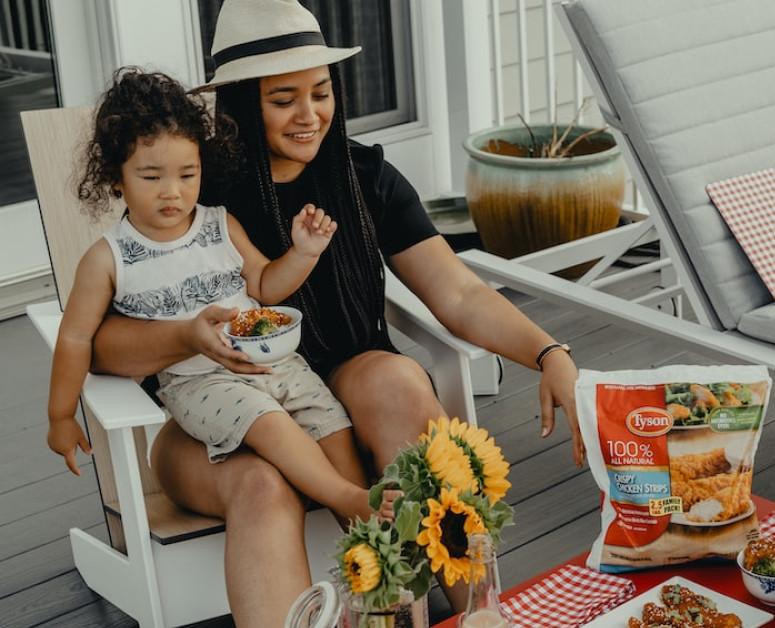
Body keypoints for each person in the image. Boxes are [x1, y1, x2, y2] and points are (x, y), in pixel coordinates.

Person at [85, 1, 581, 626]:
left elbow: (458, 294)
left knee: (399, 380)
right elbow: (100, 345)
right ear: (241, 102)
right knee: (262, 484)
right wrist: (187, 335)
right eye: (283, 98)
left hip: (335, 395)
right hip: (213, 417)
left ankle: (482, 616)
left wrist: (549, 352)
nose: (309, 114)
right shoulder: (195, 194)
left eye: (320, 92)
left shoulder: (363, 177)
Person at [44, 67, 392, 528]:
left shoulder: (220, 225)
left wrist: (303, 253)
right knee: (270, 423)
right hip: (200, 384)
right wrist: (60, 415)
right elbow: (74, 340)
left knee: (331, 422)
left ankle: (369, 543)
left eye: (188, 174)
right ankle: (349, 499)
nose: (173, 192)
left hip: (274, 363)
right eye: (151, 178)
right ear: (115, 177)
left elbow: (266, 285)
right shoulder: (108, 259)